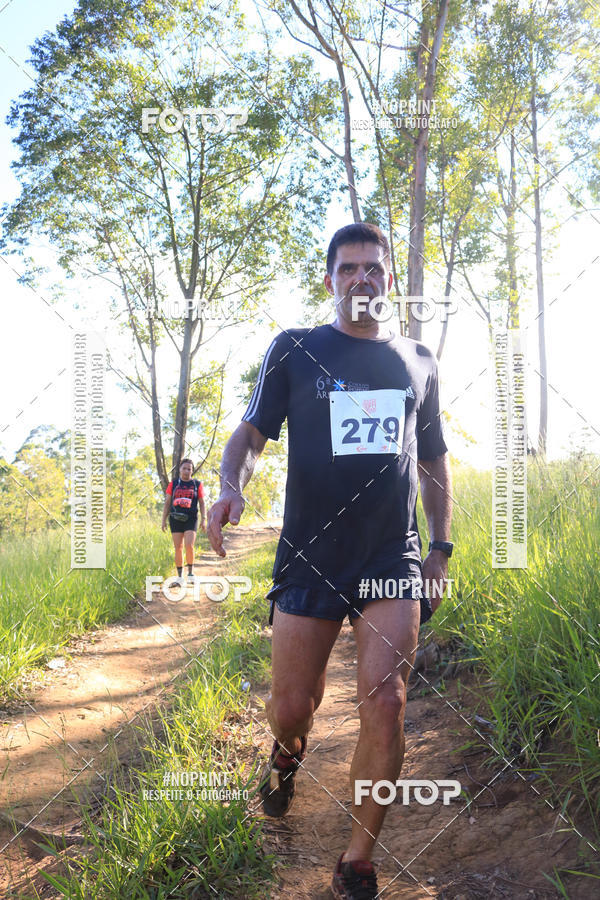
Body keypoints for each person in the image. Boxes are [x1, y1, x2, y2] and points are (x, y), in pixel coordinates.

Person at [207, 222, 453, 900]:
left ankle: (356, 861)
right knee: (291, 705)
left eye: (373, 268)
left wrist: (439, 549)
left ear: (389, 280)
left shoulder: (417, 360)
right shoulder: (295, 350)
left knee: (386, 700)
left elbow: (432, 460)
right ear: (330, 280)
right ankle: (287, 754)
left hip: (389, 559)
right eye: (348, 269)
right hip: (310, 559)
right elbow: (251, 434)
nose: (362, 279)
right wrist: (232, 485)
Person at [162, 458, 206, 581]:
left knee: (189, 545)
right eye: (184, 468)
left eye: (189, 469)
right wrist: (163, 520)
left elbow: (202, 503)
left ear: (192, 471)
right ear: (180, 470)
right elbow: (167, 503)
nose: (186, 471)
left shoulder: (197, 485)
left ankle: (191, 574)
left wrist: (204, 519)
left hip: (191, 519)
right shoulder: (174, 484)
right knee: (178, 547)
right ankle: (180, 577)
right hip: (175, 518)